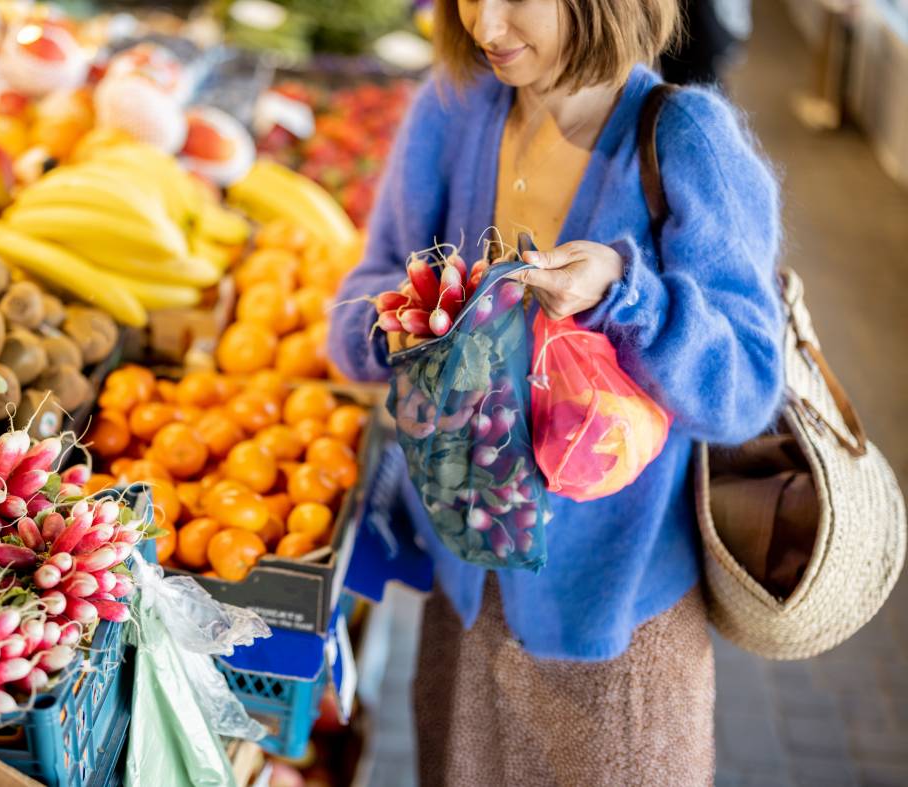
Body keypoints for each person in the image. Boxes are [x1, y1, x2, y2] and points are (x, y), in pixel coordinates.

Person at [326, 1, 785, 784]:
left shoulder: (685, 140)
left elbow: (744, 388)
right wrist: (402, 324)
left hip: (616, 627)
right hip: (466, 609)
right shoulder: (454, 110)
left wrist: (626, 294)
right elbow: (359, 306)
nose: (486, 25)